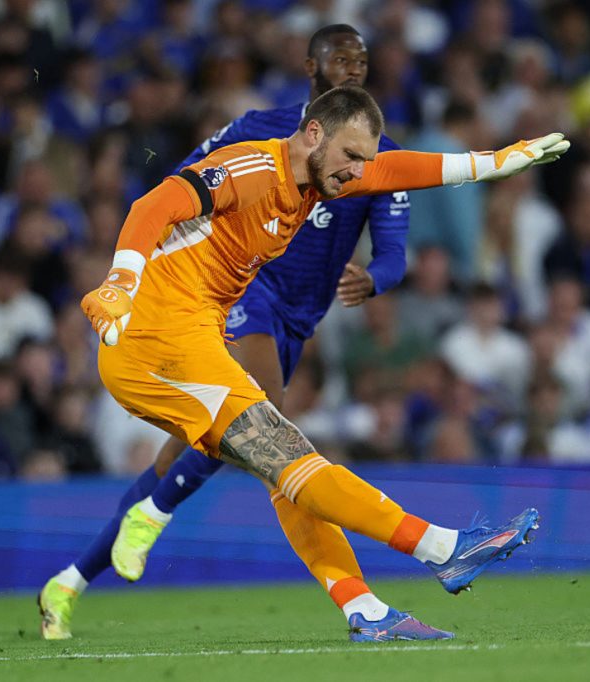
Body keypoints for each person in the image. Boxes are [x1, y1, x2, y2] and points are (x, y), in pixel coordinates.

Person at [76, 84, 563, 640]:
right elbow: (153, 205)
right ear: (313, 133)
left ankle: (365, 609)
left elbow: (404, 169)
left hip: (191, 339)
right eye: (351, 156)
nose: (358, 172)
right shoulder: (253, 168)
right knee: (293, 460)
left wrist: (497, 162)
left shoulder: (324, 173)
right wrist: (121, 280)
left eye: (364, 159)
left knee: (285, 474)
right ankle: (443, 547)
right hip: (153, 339)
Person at [39, 25, 425, 642]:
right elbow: (185, 182)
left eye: (362, 58)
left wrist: (375, 279)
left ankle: (71, 579)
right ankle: (165, 515)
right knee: (265, 423)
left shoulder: (373, 156)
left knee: (194, 451)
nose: (353, 67)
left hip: (303, 315)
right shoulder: (259, 129)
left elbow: (396, 251)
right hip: (244, 294)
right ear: (310, 65)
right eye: (340, 56)